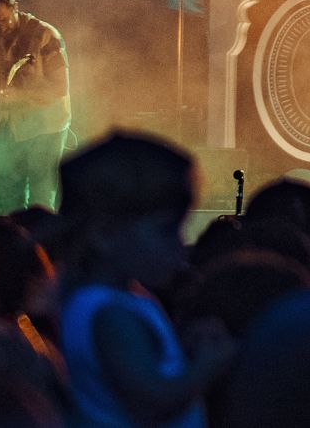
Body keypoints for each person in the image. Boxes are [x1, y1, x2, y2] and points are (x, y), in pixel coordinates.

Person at [56, 132, 237, 428]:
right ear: (104, 235)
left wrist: (183, 348)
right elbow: (153, 401)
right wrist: (208, 366)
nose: (179, 243)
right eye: (167, 229)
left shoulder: (120, 299)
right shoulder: (111, 313)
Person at [0, 0, 72, 212]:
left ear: (15, 7)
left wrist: (19, 96)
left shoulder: (45, 35)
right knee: (11, 194)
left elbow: (60, 87)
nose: (1, 28)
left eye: (4, 20)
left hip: (46, 126)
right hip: (15, 126)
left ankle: (40, 234)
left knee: (41, 195)